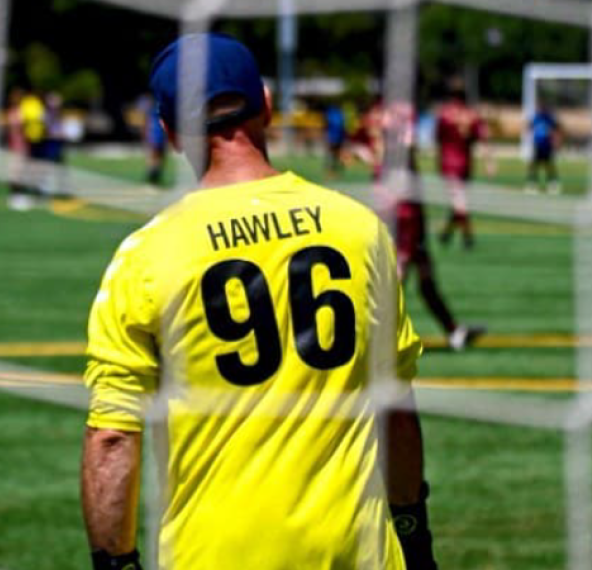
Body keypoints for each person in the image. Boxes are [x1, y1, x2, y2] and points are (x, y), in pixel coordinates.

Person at [82, 33, 438, 570]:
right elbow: (396, 410)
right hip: (357, 554)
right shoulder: (360, 229)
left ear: (171, 132)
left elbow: (112, 437)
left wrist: (117, 563)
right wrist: (412, 531)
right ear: (267, 105)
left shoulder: (147, 255)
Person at [381, 100, 486, 351]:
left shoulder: (390, 115)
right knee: (397, 277)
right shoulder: (394, 115)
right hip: (402, 212)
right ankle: (371, 341)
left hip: (412, 211)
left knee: (426, 278)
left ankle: (453, 332)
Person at [435, 78, 493, 249]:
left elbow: (437, 139)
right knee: (460, 200)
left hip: (448, 163)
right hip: (465, 163)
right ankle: (456, 234)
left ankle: (462, 235)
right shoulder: (472, 115)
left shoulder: (444, 114)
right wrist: (489, 161)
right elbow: (483, 138)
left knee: (459, 201)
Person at [526, 103, 562, 195]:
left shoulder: (549, 118)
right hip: (538, 145)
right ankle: (532, 184)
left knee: (549, 165)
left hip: (547, 145)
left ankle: (553, 184)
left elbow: (556, 129)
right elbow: (529, 126)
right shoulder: (536, 118)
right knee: (534, 165)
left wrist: (556, 141)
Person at [138, 93, 168, 185]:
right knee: (155, 154)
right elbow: (146, 120)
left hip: (159, 132)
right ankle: (153, 176)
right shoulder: (153, 106)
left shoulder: (159, 106)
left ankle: (154, 176)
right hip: (156, 132)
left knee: (157, 155)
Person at [324, 102, 347, 177]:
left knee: (334, 155)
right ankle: (331, 171)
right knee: (333, 155)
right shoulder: (337, 113)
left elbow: (328, 125)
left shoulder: (334, 113)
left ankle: (332, 171)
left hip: (335, 137)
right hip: (335, 137)